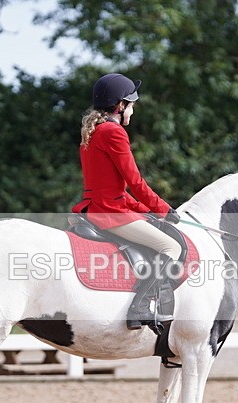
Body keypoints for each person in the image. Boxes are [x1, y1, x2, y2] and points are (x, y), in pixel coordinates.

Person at [72, 73, 182, 330]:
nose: (133, 109)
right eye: (131, 104)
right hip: (109, 214)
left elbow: (117, 192)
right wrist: (163, 208)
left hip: (97, 207)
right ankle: (140, 307)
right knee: (171, 248)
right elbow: (135, 181)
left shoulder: (94, 131)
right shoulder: (114, 132)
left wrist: (148, 211)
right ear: (120, 106)